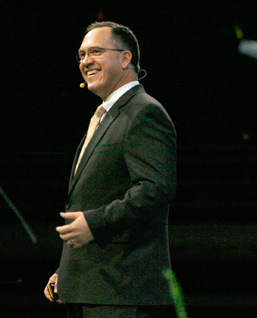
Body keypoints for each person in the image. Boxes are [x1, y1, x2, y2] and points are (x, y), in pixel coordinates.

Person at [43, 21, 177, 317]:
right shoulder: (107, 116)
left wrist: (94, 222)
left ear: (125, 58)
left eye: (96, 52)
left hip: (123, 293)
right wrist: (68, 270)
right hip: (93, 287)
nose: (85, 61)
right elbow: (96, 196)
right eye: (81, 54)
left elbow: (155, 189)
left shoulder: (144, 112)